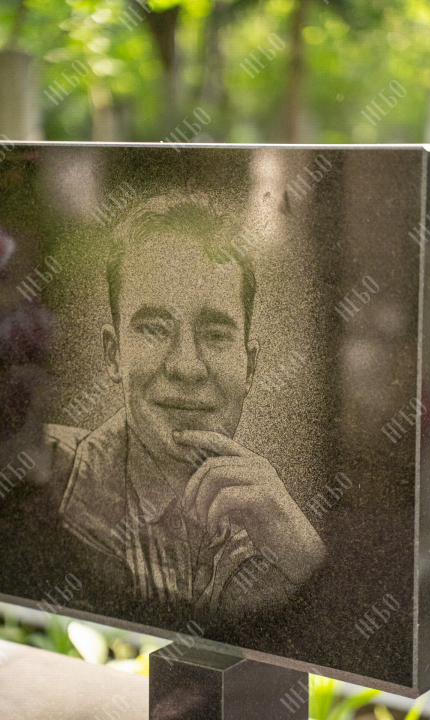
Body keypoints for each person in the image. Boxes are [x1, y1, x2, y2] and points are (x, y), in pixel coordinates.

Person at [2, 194, 325, 630]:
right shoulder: (34, 477)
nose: (186, 367)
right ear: (114, 354)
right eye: (154, 328)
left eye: (215, 334)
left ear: (250, 366)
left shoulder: (282, 534)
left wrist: (306, 557)